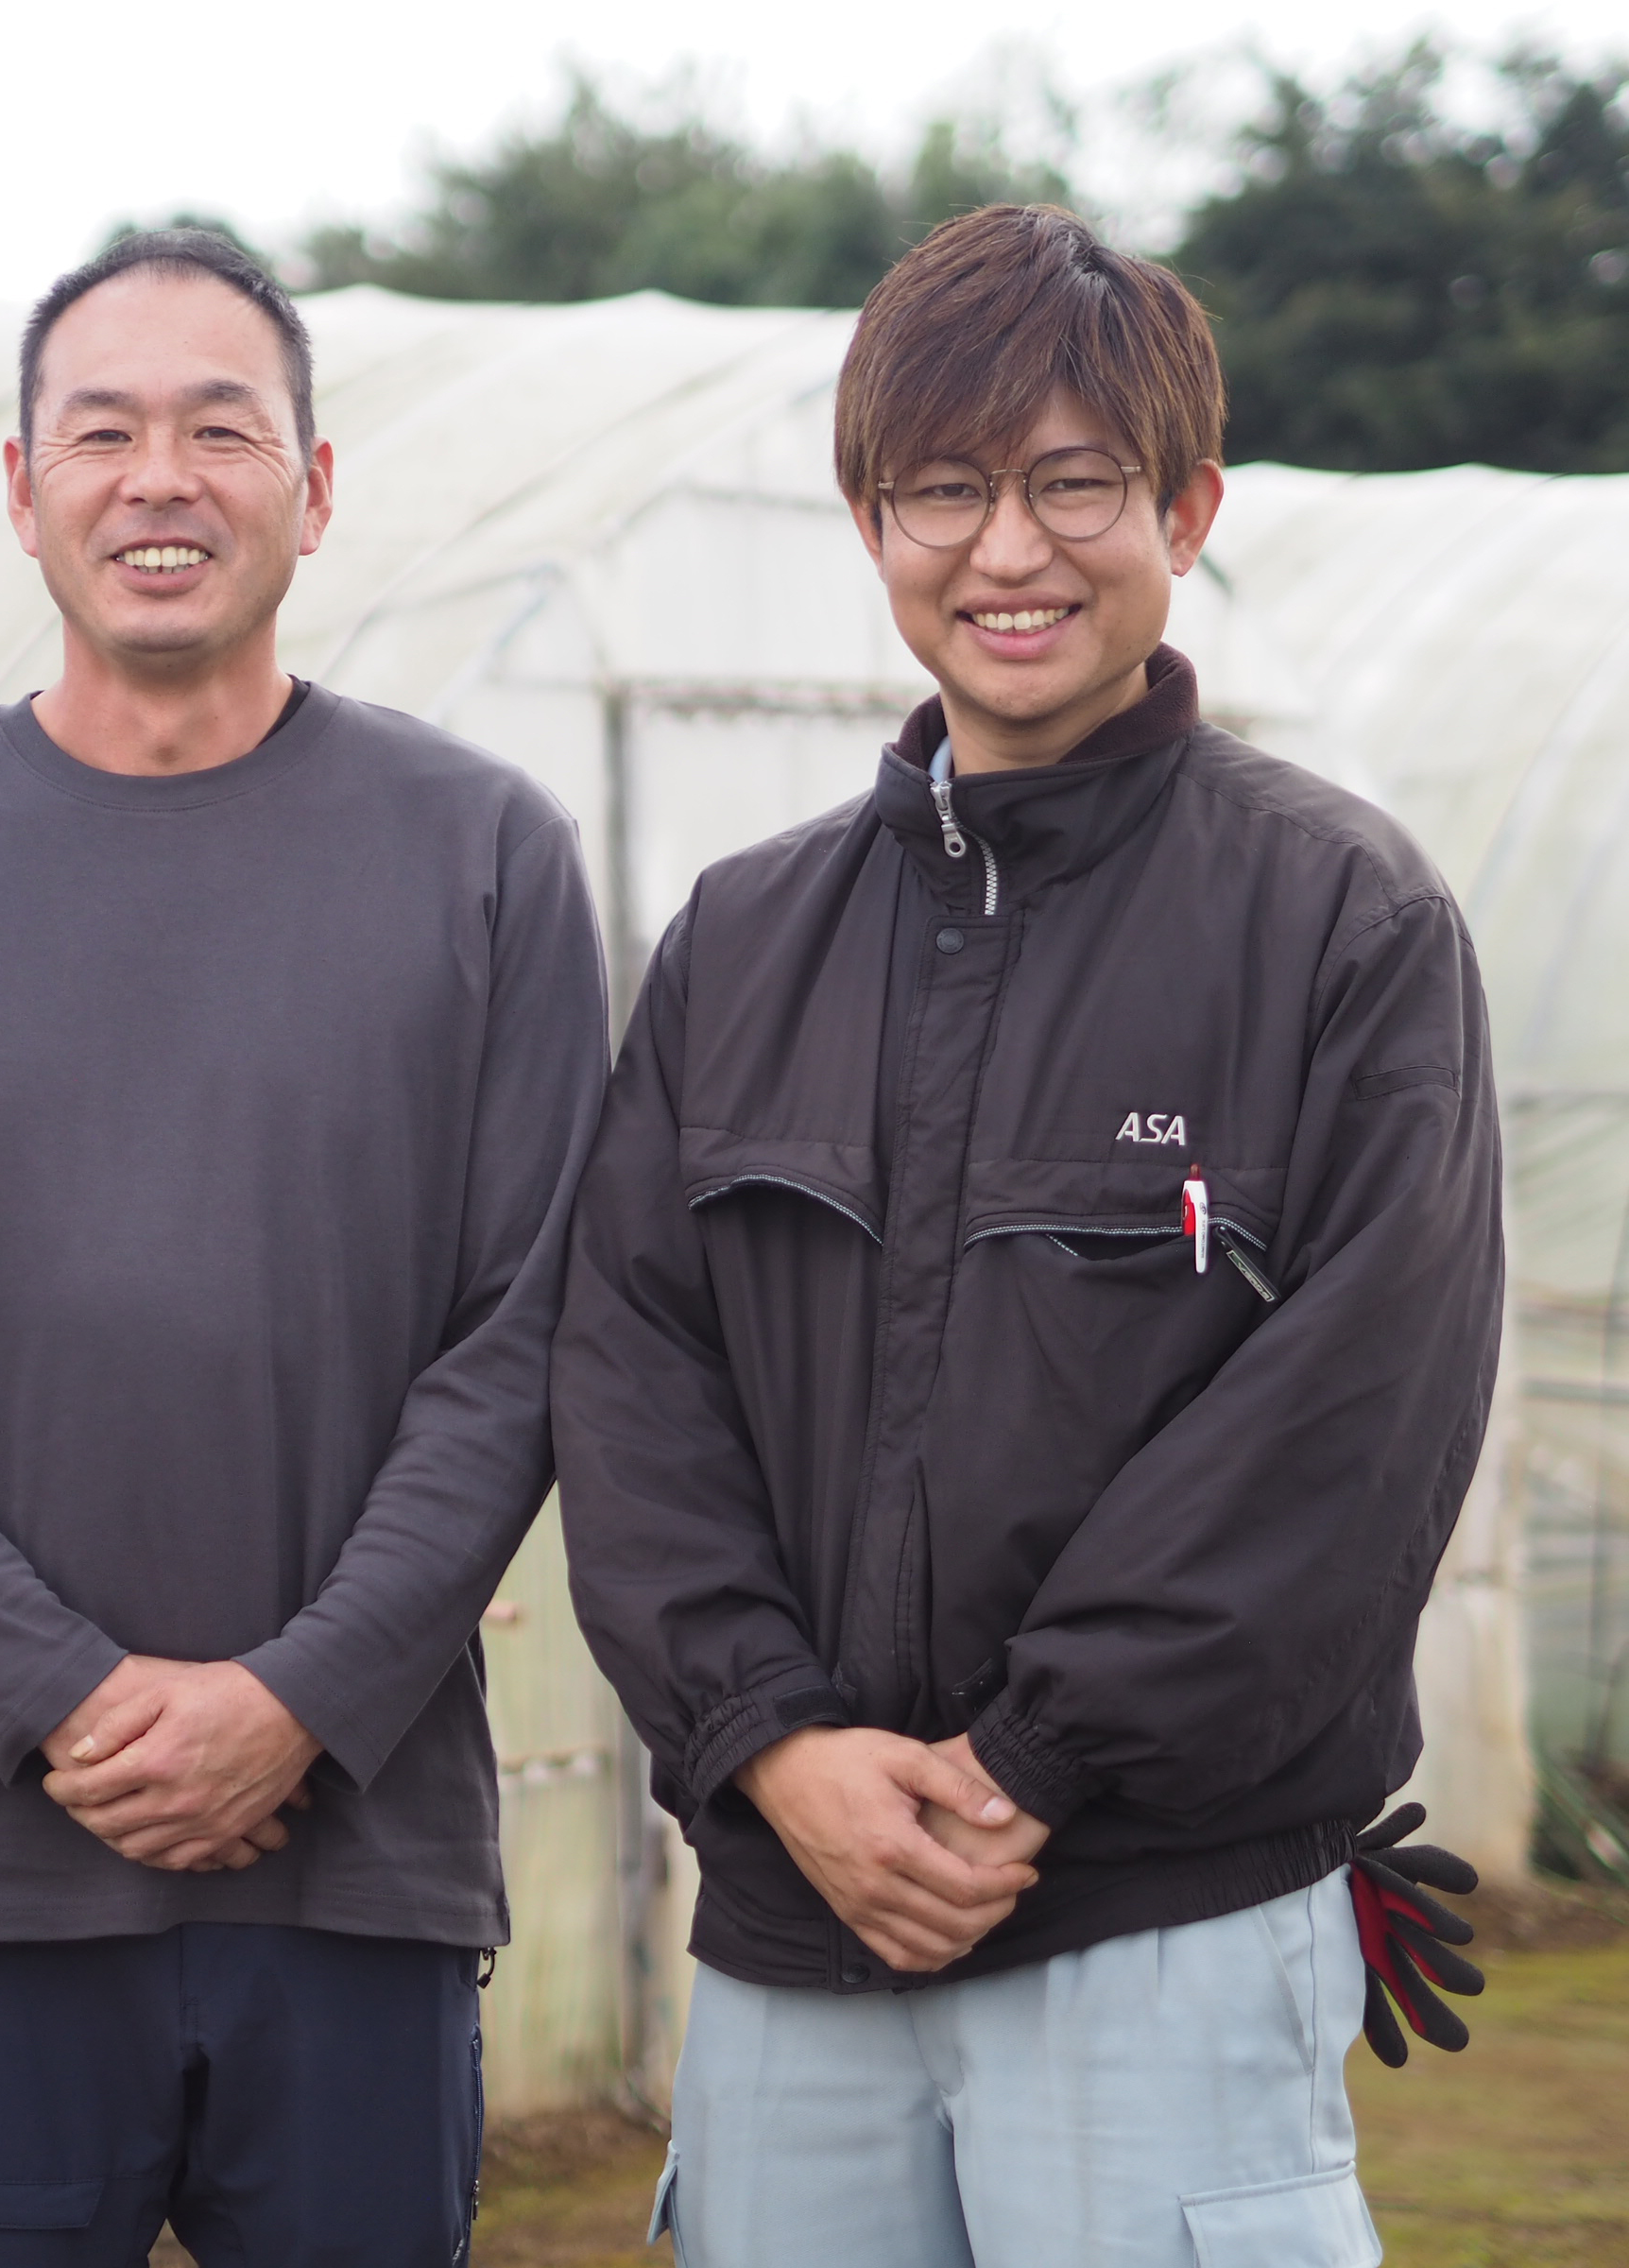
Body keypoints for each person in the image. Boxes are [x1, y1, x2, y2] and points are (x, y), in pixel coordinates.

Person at [553, 202, 1505, 2265]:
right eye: (946, 490)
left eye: (1076, 484)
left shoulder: (1340, 924)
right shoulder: (741, 942)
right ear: (869, 521)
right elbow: (629, 1380)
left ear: (1187, 508)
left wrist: (1026, 1765)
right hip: (797, 1928)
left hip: (1154, 1912)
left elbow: (1346, 1427)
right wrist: (775, 1746)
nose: (1008, 551)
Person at [0, 229, 609, 2262]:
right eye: (100, 432)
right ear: (20, 489)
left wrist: (296, 1698)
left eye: (222, 428)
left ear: (314, 483)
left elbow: (523, 1330)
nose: (160, 478)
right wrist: (62, 1699)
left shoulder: (482, 859)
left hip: (356, 1862)